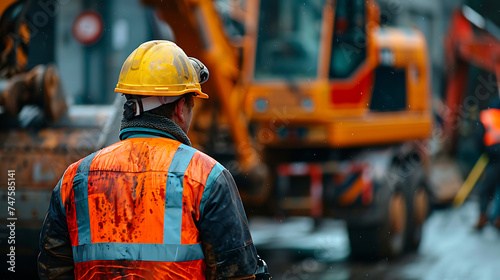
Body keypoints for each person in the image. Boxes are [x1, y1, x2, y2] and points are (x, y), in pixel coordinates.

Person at [38, 40, 269, 279]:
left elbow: (52, 268)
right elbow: (237, 273)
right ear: (180, 107)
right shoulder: (206, 177)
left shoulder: (75, 178)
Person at [475, 97, 500, 230]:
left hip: (494, 158)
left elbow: (479, 138)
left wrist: (485, 154)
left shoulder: (486, 116)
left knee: (485, 189)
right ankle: (497, 219)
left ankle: (483, 216)